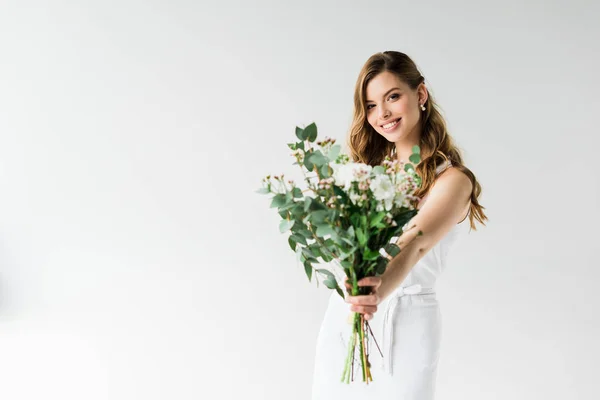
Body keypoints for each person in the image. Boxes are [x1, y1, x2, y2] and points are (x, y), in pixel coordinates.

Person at [311, 51, 488, 399]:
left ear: (420, 95)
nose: (383, 114)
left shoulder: (452, 180)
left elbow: (413, 245)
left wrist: (372, 291)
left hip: (406, 323)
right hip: (348, 315)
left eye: (393, 97)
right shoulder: (367, 173)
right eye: (371, 105)